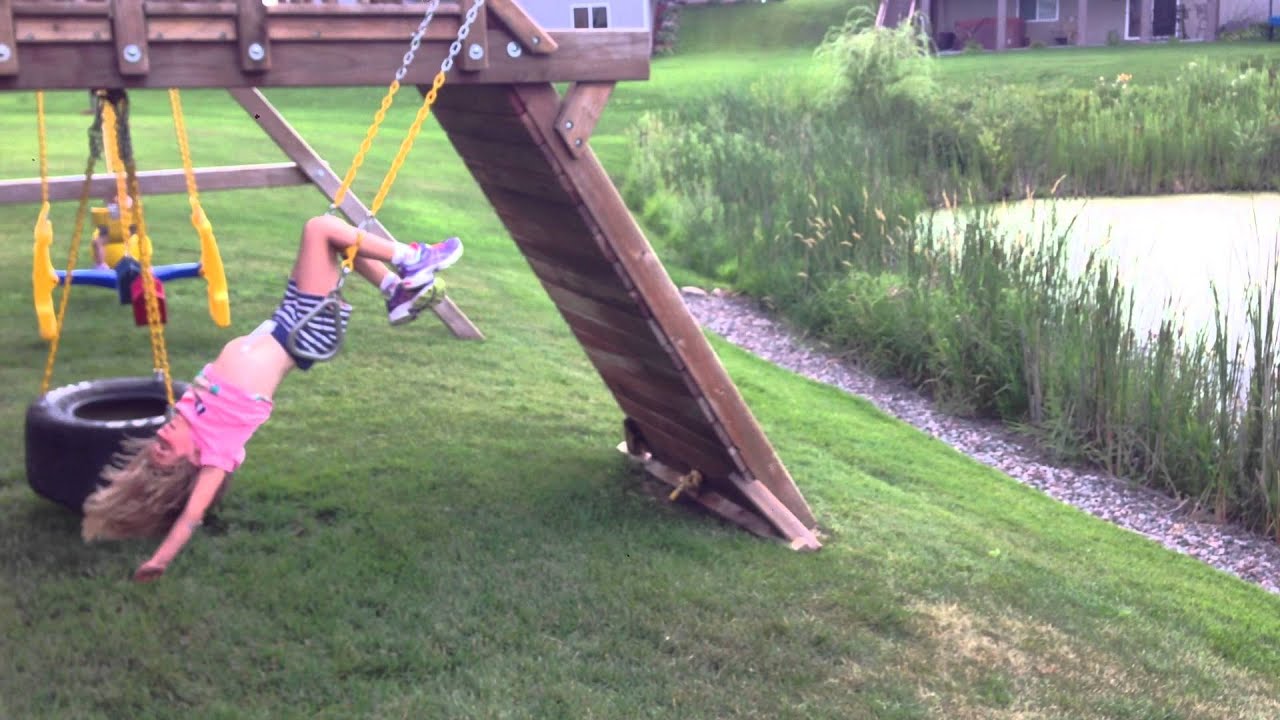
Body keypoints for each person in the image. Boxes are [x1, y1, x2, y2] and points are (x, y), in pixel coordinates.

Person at [80, 214, 463, 582]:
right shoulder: (217, 451)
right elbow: (190, 516)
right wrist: (160, 559)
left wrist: (126, 489)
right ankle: (413, 258)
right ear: (192, 461)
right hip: (304, 333)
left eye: (155, 445)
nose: (160, 437)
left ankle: (396, 292)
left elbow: (139, 472)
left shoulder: (187, 414)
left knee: (336, 238)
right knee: (320, 229)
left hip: (286, 321)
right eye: (165, 451)